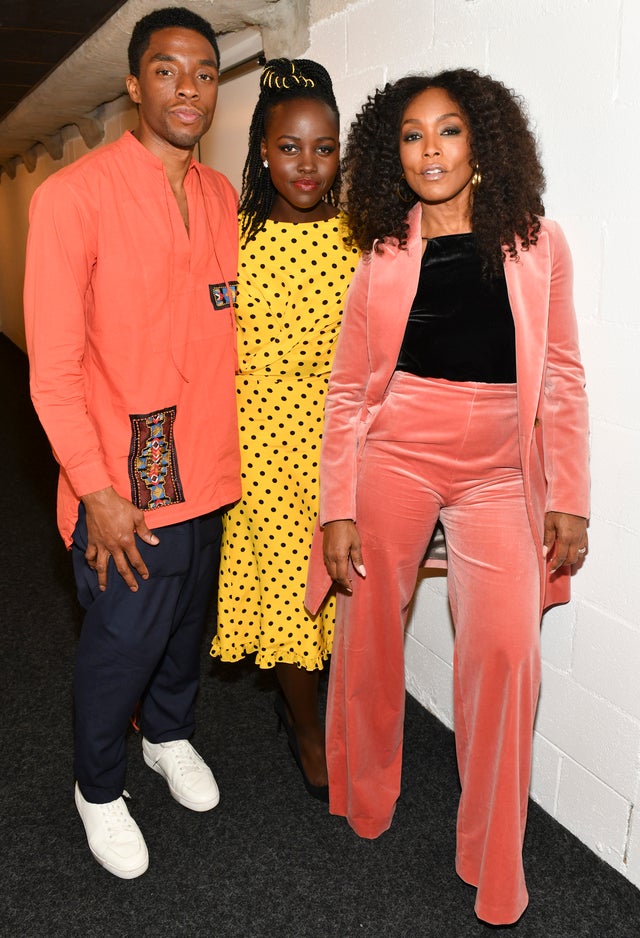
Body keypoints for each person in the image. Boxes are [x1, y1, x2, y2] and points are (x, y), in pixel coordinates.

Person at [305, 68, 590, 925]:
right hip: (397, 452)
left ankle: (491, 858)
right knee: (367, 630)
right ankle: (364, 793)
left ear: (484, 142)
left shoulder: (541, 244)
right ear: (392, 155)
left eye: (450, 131)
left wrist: (569, 492)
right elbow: (350, 392)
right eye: (413, 136)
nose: (431, 150)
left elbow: (565, 377)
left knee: (506, 652)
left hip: (503, 467)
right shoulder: (382, 253)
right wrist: (338, 506)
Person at [23, 7, 240, 878]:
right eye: (167, 70)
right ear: (132, 83)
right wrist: (96, 488)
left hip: (210, 472)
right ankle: (98, 785)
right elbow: (53, 369)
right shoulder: (72, 198)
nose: (187, 88)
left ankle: (171, 736)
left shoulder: (220, 196)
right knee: (122, 648)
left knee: (183, 636)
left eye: (204, 73)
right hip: (127, 478)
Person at [211, 58, 358, 800]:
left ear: (340, 153)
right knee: (289, 597)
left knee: (344, 594)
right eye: (290, 146)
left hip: (337, 441)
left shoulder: (364, 242)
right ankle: (307, 730)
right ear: (263, 149)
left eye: (323, 147)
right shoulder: (229, 236)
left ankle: (313, 711)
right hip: (257, 439)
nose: (307, 163)